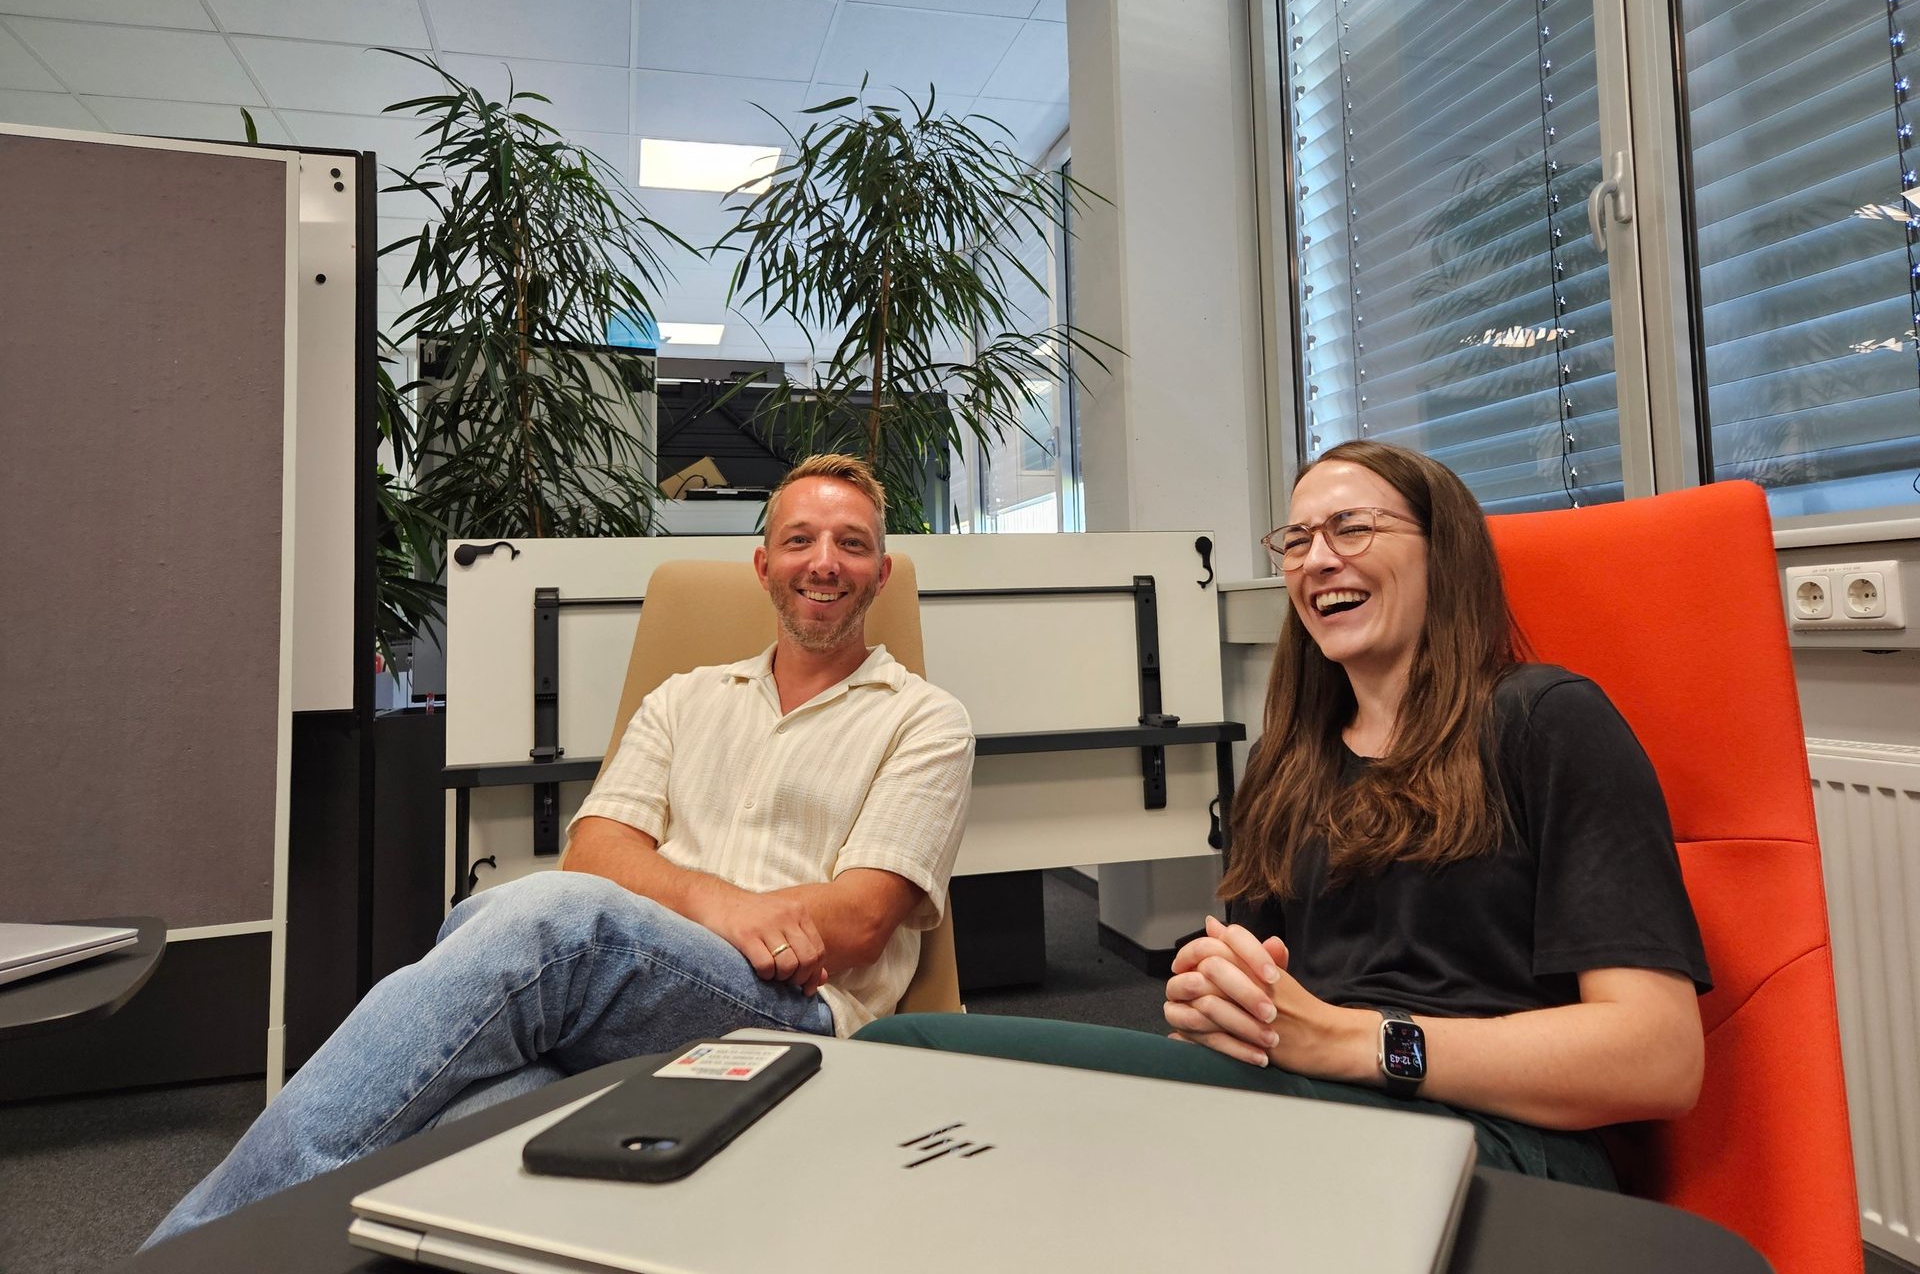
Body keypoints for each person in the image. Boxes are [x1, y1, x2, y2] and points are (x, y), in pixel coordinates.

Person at [147, 454, 973, 1245]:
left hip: (798, 1013)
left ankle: (205, 1243)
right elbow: (598, 853)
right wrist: (728, 905)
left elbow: (860, 921)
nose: (822, 562)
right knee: (495, 1091)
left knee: (540, 921)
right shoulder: (684, 698)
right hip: (642, 989)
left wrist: (670, 904)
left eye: (850, 544)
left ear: (881, 573)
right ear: (763, 566)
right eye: (799, 540)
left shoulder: (924, 720)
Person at [859, 439, 1709, 1187]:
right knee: (912, 1060)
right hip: (1312, 1103)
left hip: (1500, 1140)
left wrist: (1355, 1042)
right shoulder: (1286, 762)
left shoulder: (1546, 721)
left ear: (1443, 554)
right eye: (1297, 541)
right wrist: (1219, 1005)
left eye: (1352, 529)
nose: (1316, 560)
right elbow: (1278, 1009)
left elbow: (1658, 1058)